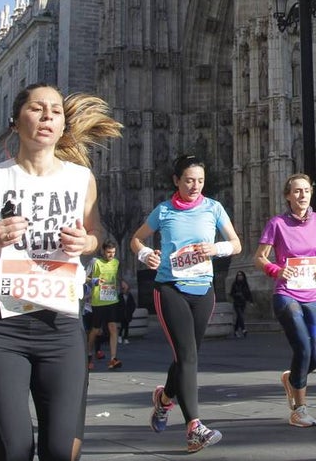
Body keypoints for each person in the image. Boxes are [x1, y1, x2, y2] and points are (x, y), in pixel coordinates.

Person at [0, 83, 122, 461]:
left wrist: (84, 243)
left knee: (61, 450)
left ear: (62, 126)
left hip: (60, 324)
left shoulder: (81, 180)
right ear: (15, 121)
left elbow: (95, 235)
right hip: (1, 326)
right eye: (36, 109)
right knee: (15, 450)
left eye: (55, 111)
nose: (46, 117)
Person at [132, 154, 242, 454]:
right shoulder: (164, 211)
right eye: (189, 180)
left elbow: (236, 243)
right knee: (188, 356)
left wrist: (216, 248)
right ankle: (195, 428)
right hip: (170, 289)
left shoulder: (213, 208)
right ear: (176, 181)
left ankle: (164, 399)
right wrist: (146, 255)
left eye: (200, 181)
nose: (195, 186)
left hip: (203, 289)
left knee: (186, 357)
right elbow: (137, 239)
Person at [254, 173, 316, 428]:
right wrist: (276, 270)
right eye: (297, 191)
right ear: (288, 196)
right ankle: (299, 410)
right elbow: (260, 257)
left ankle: (292, 380)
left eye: (306, 191)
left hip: (315, 294)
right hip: (286, 295)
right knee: (303, 348)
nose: (302, 196)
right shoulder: (276, 223)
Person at [87, 241, 123, 370]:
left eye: (113, 252)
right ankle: (89, 354)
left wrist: (122, 283)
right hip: (98, 301)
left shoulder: (116, 263)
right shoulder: (95, 262)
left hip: (112, 300)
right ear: (103, 251)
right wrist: (96, 281)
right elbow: (85, 278)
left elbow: (116, 277)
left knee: (113, 328)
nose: (111, 255)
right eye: (109, 252)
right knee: (95, 330)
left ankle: (113, 358)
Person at [229, 270, 252, 339]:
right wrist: (237, 295)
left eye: (241, 275)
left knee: (239, 317)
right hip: (237, 302)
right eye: (238, 275)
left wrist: (251, 301)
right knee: (240, 315)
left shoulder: (245, 284)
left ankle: (235, 330)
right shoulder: (234, 284)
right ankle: (243, 329)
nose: (240, 277)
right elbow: (231, 293)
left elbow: (248, 293)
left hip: (243, 302)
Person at [118, 279, 137, 344]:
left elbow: (133, 305)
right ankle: (120, 336)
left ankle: (125, 338)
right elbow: (117, 305)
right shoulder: (120, 295)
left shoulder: (129, 295)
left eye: (125, 285)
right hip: (122, 314)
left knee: (126, 326)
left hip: (128, 314)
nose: (123, 287)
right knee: (123, 325)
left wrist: (130, 311)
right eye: (122, 285)